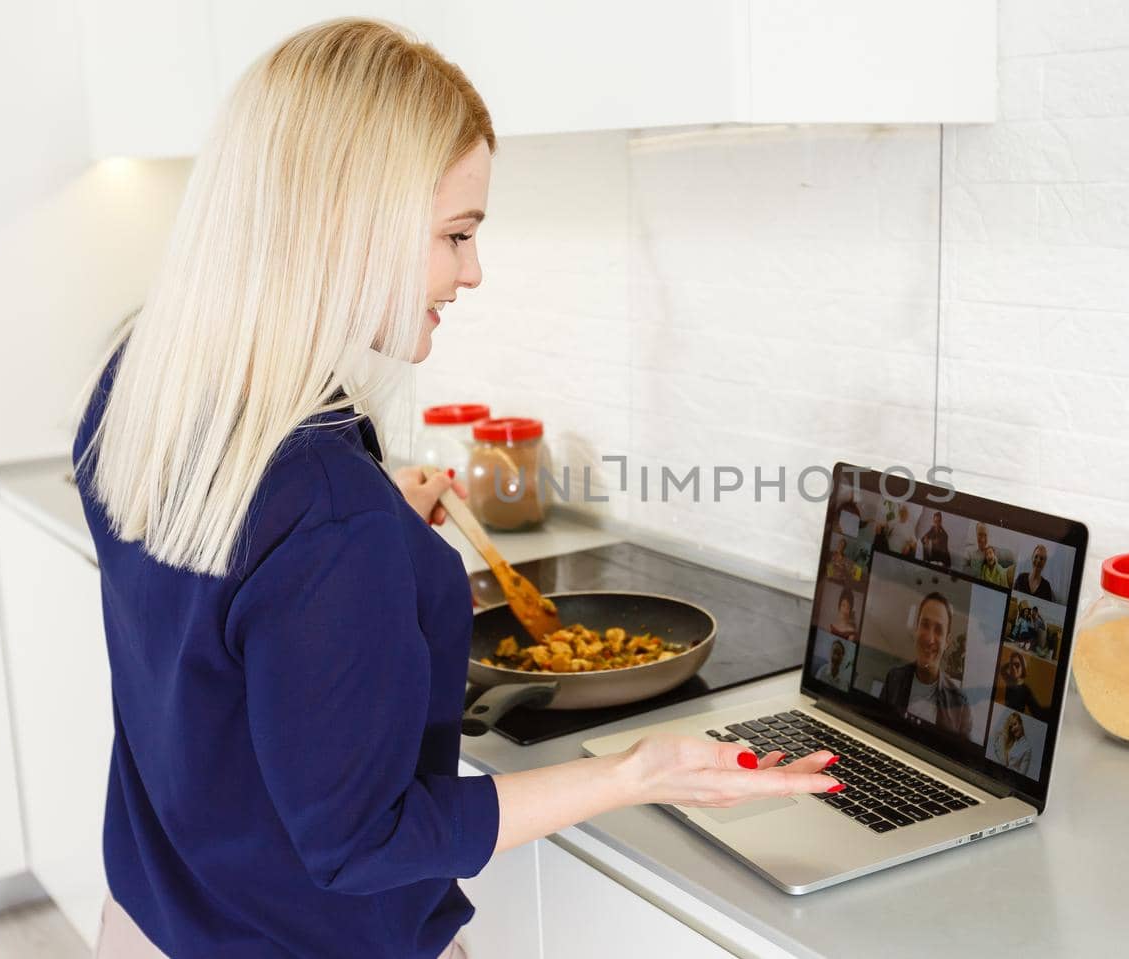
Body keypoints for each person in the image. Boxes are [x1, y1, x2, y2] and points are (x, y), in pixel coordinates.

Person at [70, 21, 837, 959]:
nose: (472, 272)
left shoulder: (144, 380)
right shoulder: (321, 505)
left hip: (153, 920)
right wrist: (638, 769)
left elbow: (215, 602)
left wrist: (371, 529)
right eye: (456, 235)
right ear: (349, 221)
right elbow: (367, 841)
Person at [878, 592, 971, 736]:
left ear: (947, 641)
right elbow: (877, 728)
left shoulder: (960, 703)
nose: (929, 638)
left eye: (939, 630)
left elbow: (962, 756)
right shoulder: (894, 679)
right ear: (916, 629)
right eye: (925, 625)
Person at [996, 651, 1048, 721]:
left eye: (1017, 665)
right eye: (1012, 665)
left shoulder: (1026, 690)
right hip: (1004, 718)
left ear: (1023, 669)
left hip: (1014, 722)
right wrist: (1011, 662)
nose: (1014, 668)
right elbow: (1002, 669)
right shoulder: (1009, 680)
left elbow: (1037, 712)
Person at [960, 522, 1009, 588]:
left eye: (985, 535)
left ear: (988, 535)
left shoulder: (993, 552)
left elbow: (999, 571)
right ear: (976, 534)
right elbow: (962, 570)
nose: (982, 539)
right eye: (980, 534)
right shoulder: (969, 551)